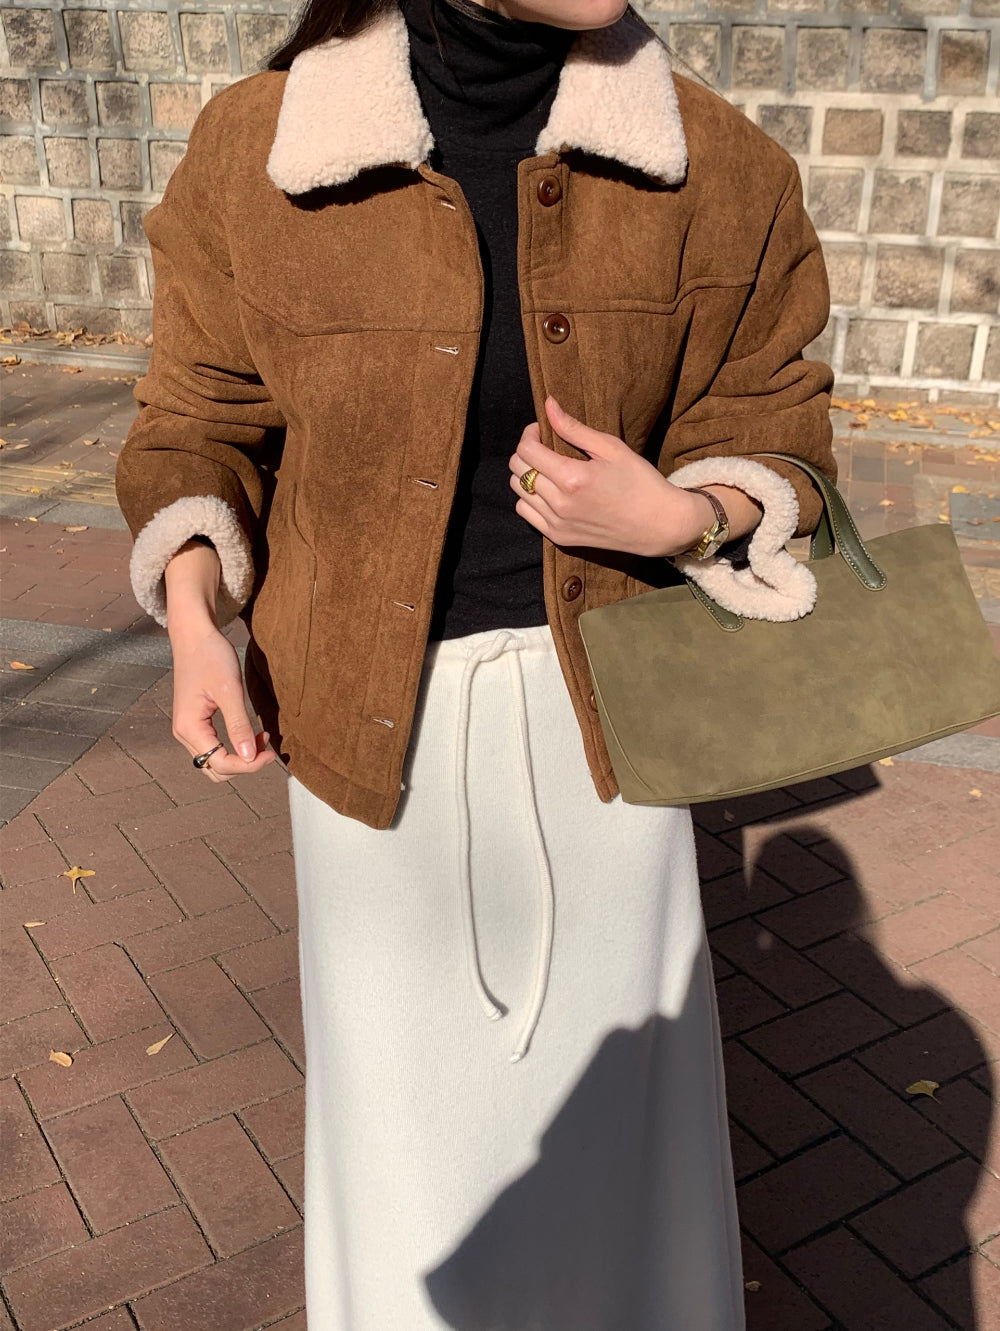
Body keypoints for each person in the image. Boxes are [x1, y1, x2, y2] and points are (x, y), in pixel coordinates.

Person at [115, 0, 836, 1325]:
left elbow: (776, 415)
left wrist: (683, 516)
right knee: (405, 1147)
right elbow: (198, 418)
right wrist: (195, 612)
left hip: (614, 726)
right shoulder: (263, 148)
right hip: (358, 733)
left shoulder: (715, 162)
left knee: (619, 1149)